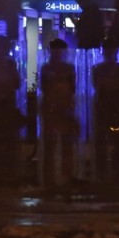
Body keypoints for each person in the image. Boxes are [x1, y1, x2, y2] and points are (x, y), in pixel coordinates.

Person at [92, 39, 119, 184]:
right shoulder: (100, 69)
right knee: (105, 142)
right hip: (105, 108)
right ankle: (106, 173)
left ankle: (114, 173)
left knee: (118, 142)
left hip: (115, 108)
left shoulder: (118, 70)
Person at [40, 38, 78, 188]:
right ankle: (51, 177)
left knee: (64, 144)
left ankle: (63, 176)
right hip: (53, 107)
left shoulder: (63, 68)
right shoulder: (48, 68)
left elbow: (72, 88)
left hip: (62, 107)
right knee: (52, 144)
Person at [0, 35, 23, 183]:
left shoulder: (0, 64)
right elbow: (17, 84)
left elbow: (15, 83)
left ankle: (3, 170)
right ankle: (6, 170)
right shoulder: (7, 64)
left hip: (3, 106)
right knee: (5, 139)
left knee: (2, 139)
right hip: (3, 105)